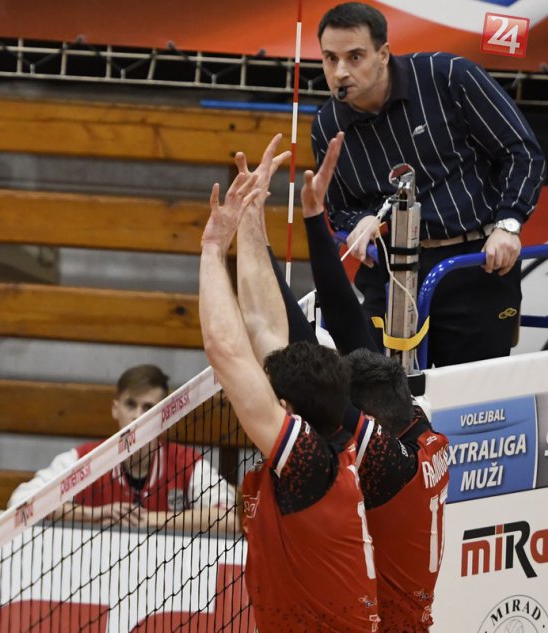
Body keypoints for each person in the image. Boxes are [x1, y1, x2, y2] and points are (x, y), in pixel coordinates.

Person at [199, 138, 379, 632]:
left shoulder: (306, 466)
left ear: (287, 408)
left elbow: (226, 350)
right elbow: (263, 328)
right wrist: (251, 215)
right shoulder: (336, 442)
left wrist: (213, 247)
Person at [312, 2, 545, 367]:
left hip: (475, 264)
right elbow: (339, 207)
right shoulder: (326, 126)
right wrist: (358, 221)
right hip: (390, 273)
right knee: (375, 387)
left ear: (383, 54)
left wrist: (509, 224)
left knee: (468, 393)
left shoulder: (449, 76)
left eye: (355, 57)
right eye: (330, 59)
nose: (340, 72)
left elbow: (523, 153)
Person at [298, 131, 450, 632]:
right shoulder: (415, 427)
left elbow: (302, 358)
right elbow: (345, 316)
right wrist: (315, 219)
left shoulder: (390, 461)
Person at [8, 364, 236, 532]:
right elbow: (20, 503)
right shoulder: (83, 460)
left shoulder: (187, 463)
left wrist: (149, 520)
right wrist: (93, 515)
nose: (137, 416)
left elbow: (230, 516)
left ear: (165, 416)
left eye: (149, 408)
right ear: (115, 409)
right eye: (130, 404)